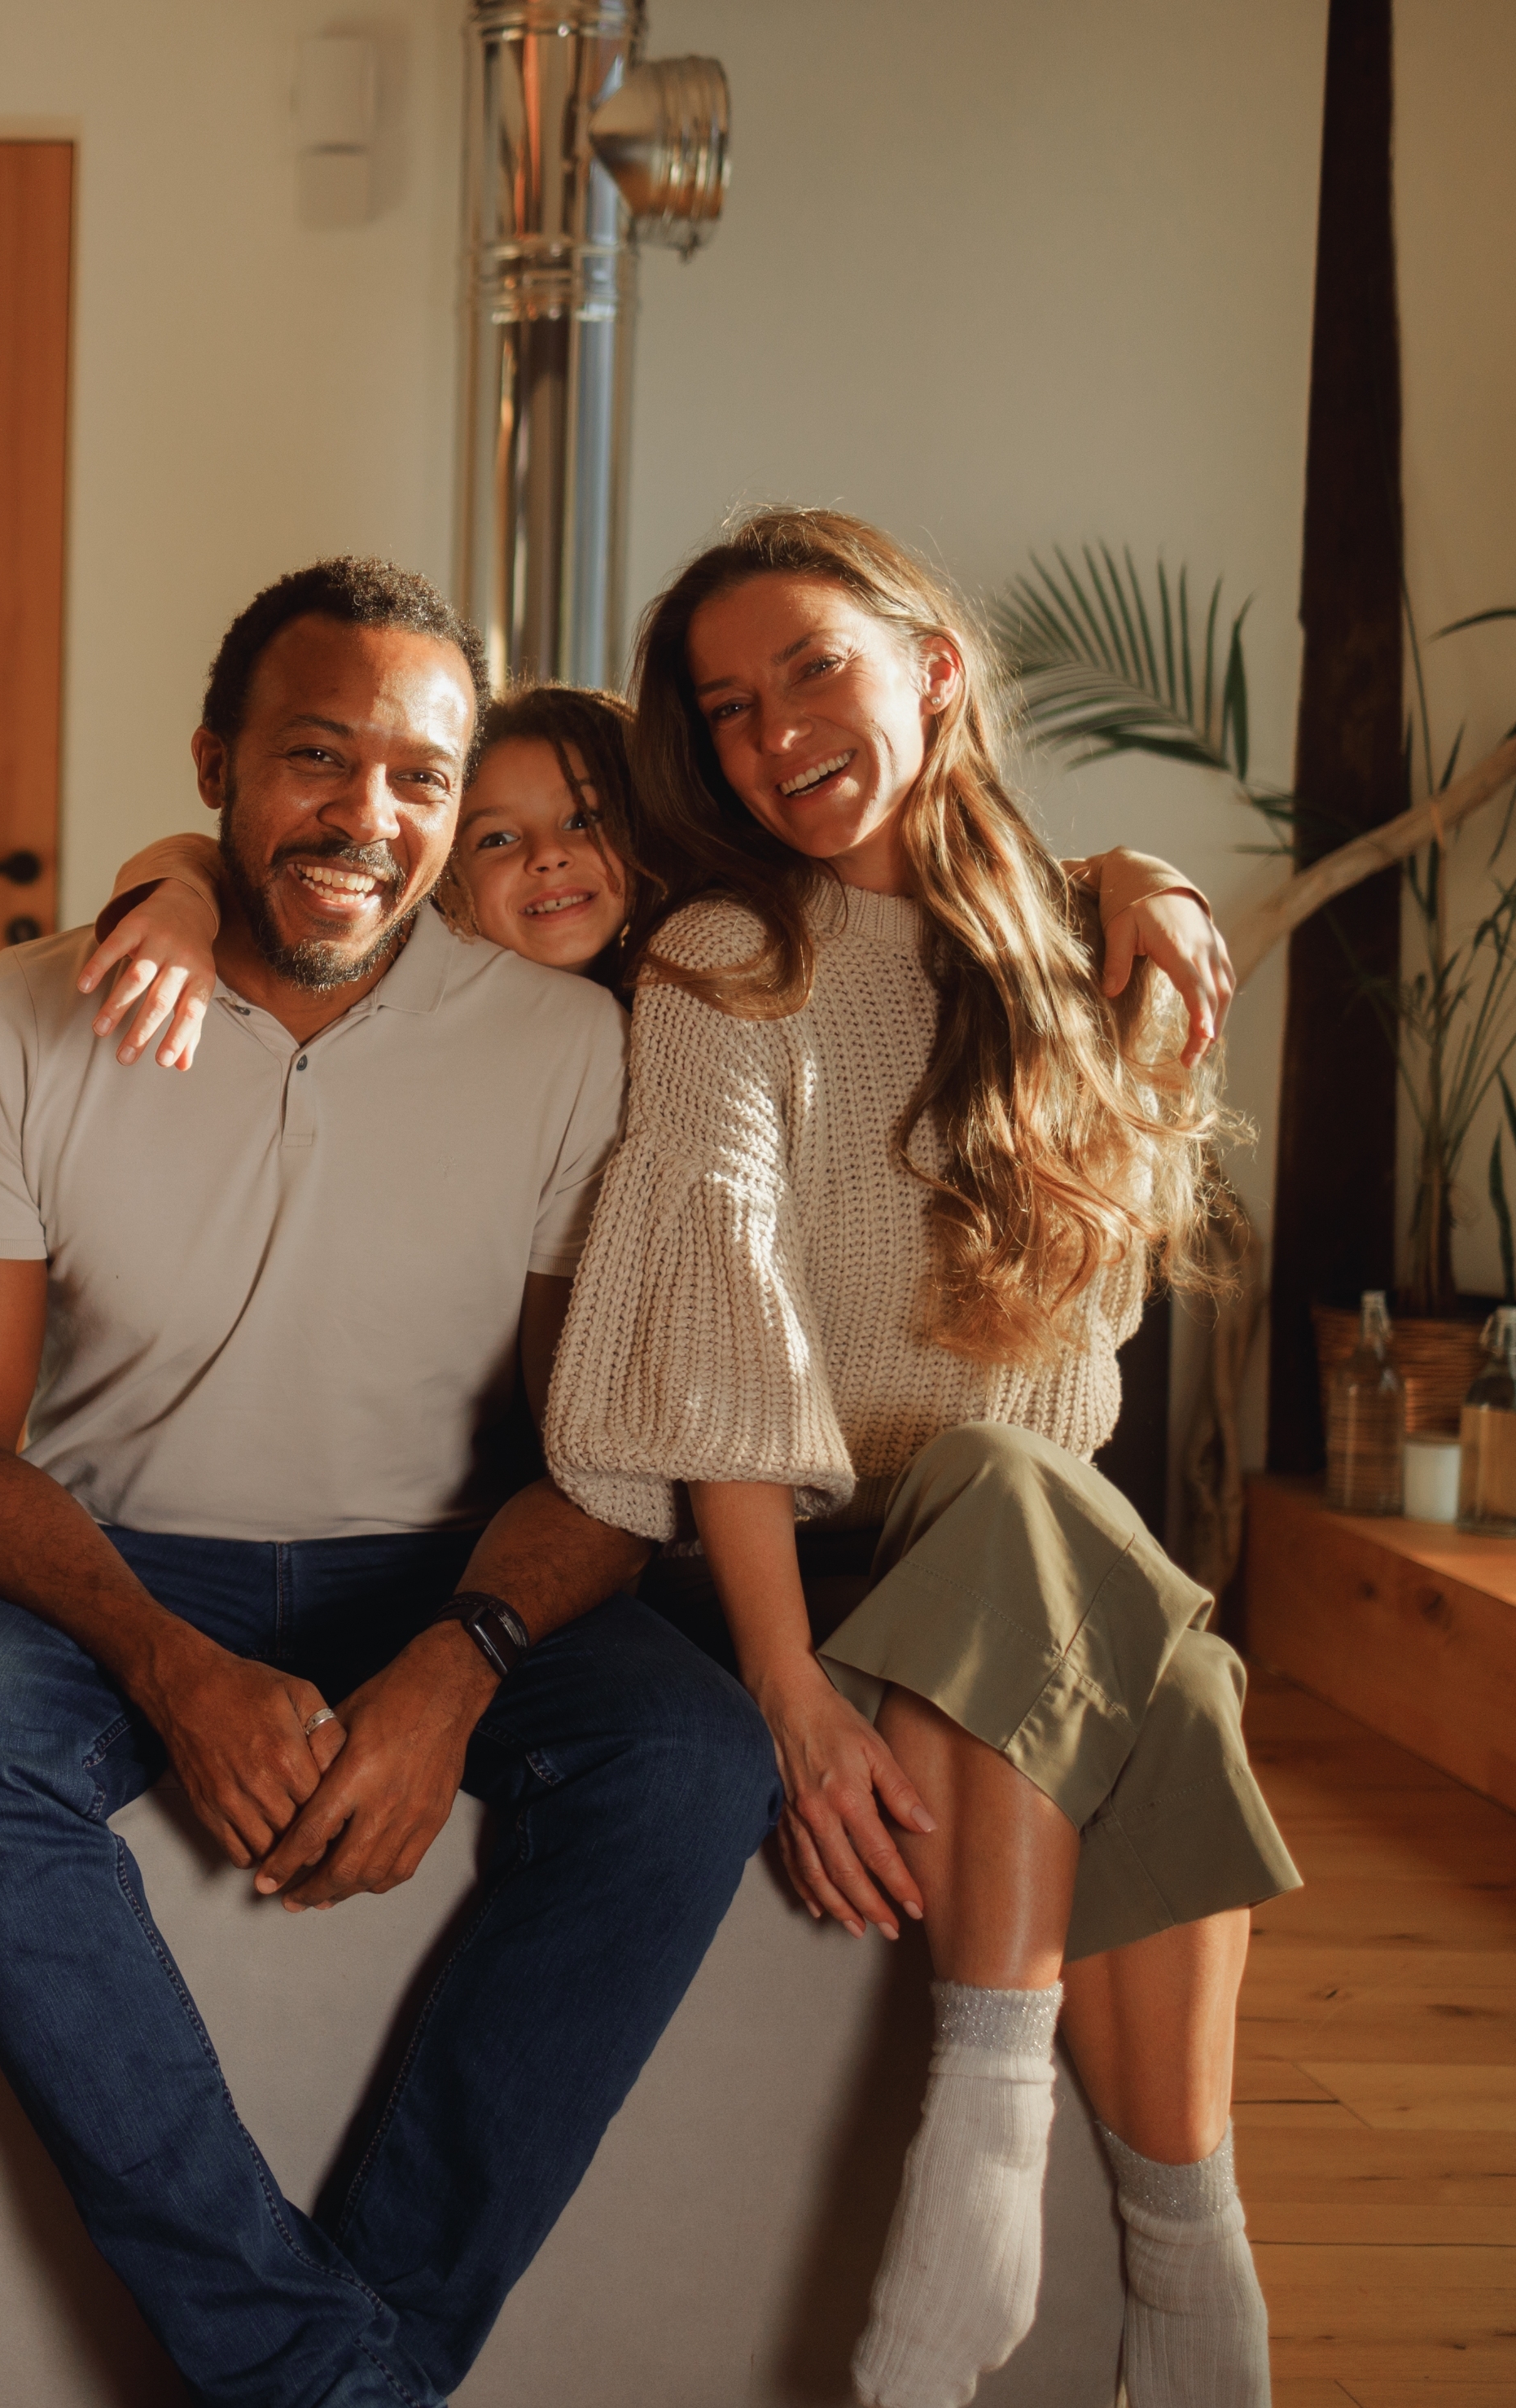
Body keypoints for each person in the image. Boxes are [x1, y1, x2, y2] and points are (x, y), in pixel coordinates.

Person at [0, 556, 781, 2408]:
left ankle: (347, 2357)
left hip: (439, 1554)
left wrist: (453, 1665)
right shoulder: (15, 1020)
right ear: (212, 763)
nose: (365, 815)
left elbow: (594, 1455)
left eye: (418, 778)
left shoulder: (563, 1044)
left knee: (685, 1754)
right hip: (121, 1555)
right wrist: (159, 1659)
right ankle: (321, 2375)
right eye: (312, 757)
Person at [543, 508, 1299, 2408]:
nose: (765, 732)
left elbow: (1069, 1376)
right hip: (792, 1577)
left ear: (930, 666)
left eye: (808, 667)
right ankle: (1010, 2150)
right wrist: (789, 1692)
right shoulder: (724, 955)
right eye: (720, 709)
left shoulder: (1080, 953)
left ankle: (1170, 2250)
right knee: (1122, 1614)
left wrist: (1130, 894)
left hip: (999, 1583)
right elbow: (718, 1332)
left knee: (1113, 1597)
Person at [79, 682, 1233, 1056]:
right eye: (496, 838)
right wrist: (177, 887)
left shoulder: (713, 971)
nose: (549, 859)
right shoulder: (414, 985)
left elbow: (962, 894)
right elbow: (223, 861)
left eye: (586, 820)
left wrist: (1134, 875)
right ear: (443, 877)